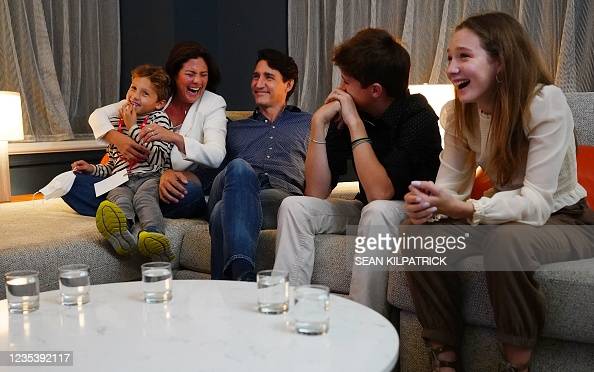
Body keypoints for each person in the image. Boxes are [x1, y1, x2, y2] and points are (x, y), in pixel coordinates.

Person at [403, 12, 594, 371]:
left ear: (501, 61)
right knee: (418, 236)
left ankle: (516, 364)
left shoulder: (543, 103)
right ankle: (444, 360)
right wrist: (428, 205)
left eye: (463, 56)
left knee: (507, 242)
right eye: (449, 57)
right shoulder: (459, 112)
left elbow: (536, 204)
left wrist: (468, 210)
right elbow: (450, 188)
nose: (451, 68)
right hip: (502, 215)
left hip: (564, 217)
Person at [273, 28, 442, 315]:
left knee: (377, 211)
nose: (340, 89)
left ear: (375, 90)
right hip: (369, 210)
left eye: (346, 81)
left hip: (416, 216)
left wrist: (353, 122)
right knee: (295, 206)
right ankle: (287, 310)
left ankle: (365, 324)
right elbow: (316, 192)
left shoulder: (418, 118)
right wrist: (318, 124)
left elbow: (381, 194)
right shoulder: (354, 113)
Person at [62, 41, 227, 219]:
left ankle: (124, 210)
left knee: (190, 192)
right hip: (128, 178)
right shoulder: (151, 94)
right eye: (190, 74)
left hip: (164, 182)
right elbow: (97, 116)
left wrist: (174, 138)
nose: (198, 81)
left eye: (203, 75)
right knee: (72, 183)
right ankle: (137, 210)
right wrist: (119, 139)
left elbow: (216, 155)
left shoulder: (213, 103)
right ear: (175, 75)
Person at [209, 49, 311, 281]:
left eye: (268, 77)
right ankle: (244, 274)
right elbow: (211, 172)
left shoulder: (309, 123)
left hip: (278, 198)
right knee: (239, 168)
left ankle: (223, 291)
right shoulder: (233, 128)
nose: (259, 83)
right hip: (231, 184)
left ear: (288, 84)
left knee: (219, 214)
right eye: (256, 76)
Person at [72, 65, 176, 260]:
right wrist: (92, 169)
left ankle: (154, 235)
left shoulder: (159, 119)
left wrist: (132, 127)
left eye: (145, 93)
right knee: (118, 197)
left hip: (150, 177)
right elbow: (113, 164)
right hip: (121, 179)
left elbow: (156, 156)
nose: (135, 96)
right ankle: (122, 233)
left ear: (159, 103)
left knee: (143, 199)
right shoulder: (117, 122)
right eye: (133, 88)